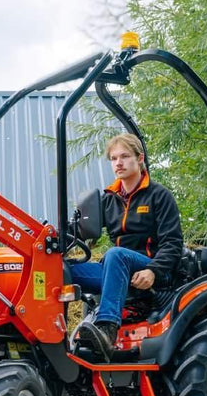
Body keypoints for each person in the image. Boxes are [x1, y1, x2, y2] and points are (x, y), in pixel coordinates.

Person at [70, 133, 184, 359]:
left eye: (124, 156)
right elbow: (78, 230)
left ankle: (107, 329)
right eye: (113, 158)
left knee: (116, 254)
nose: (118, 163)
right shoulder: (108, 199)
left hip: (151, 267)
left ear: (139, 158)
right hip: (117, 268)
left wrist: (154, 270)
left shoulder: (159, 196)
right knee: (64, 270)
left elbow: (173, 243)